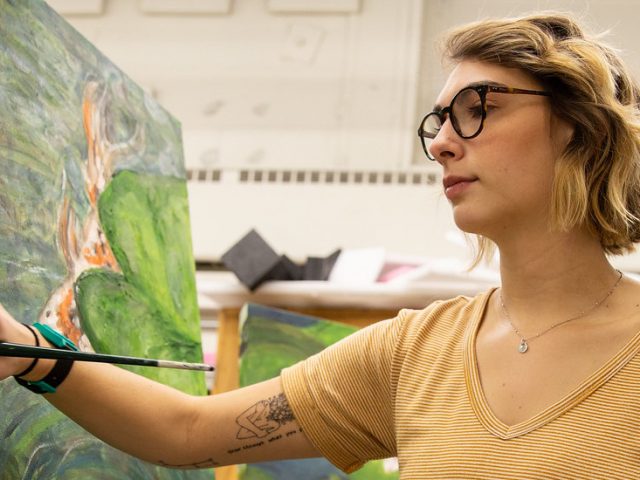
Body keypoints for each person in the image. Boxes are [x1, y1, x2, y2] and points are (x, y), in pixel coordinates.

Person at [2, 11, 640, 478]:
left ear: (577, 128)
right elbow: (188, 431)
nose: (444, 141)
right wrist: (31, 351)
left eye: (478, 107)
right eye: (438, 121)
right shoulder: (413, 354)